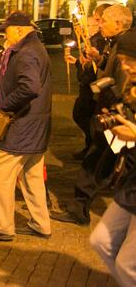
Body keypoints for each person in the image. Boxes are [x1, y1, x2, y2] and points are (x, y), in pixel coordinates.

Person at [0, 12, 52, 241]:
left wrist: (2, 104)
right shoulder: (34, 49)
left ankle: (2, 226)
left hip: (22, 126)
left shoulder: (26, 53)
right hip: (37, 125)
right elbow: (20, 81)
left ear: (19, 30)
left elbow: (29, 87)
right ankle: (40, 223)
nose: (4, 35)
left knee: (1, 177)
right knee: (31, 177)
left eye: (7, 30)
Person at [52, 4, 134, 226]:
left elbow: (123, 81)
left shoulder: (126, 43)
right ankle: (84, 206)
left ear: (118, 23)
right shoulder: (116, 42)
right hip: (113, 113)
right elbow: (109, 69)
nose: (100, 24)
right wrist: (98, 60)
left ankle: (80, 208)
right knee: (103, 161)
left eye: (104, 20)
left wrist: (110, 97)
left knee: (96, 160)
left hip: (114, 115)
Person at [89, 39, 136, 286]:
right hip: (132, 181)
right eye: (123, 60)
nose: (125, 66)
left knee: (128, 264)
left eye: (130, 60)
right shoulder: (132, 88)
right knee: (101, 242)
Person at [65, 3, 110, 160]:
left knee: (85, 116)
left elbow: (100, 66)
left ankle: (94, 149)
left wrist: (92, 61)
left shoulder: (101, 40)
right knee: (84, 116)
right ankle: (90, 146)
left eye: (96, 21)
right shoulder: (94, 39)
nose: (93, 25)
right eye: (91, 22)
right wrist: (78, 62)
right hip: (88, 85)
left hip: (94, 87)